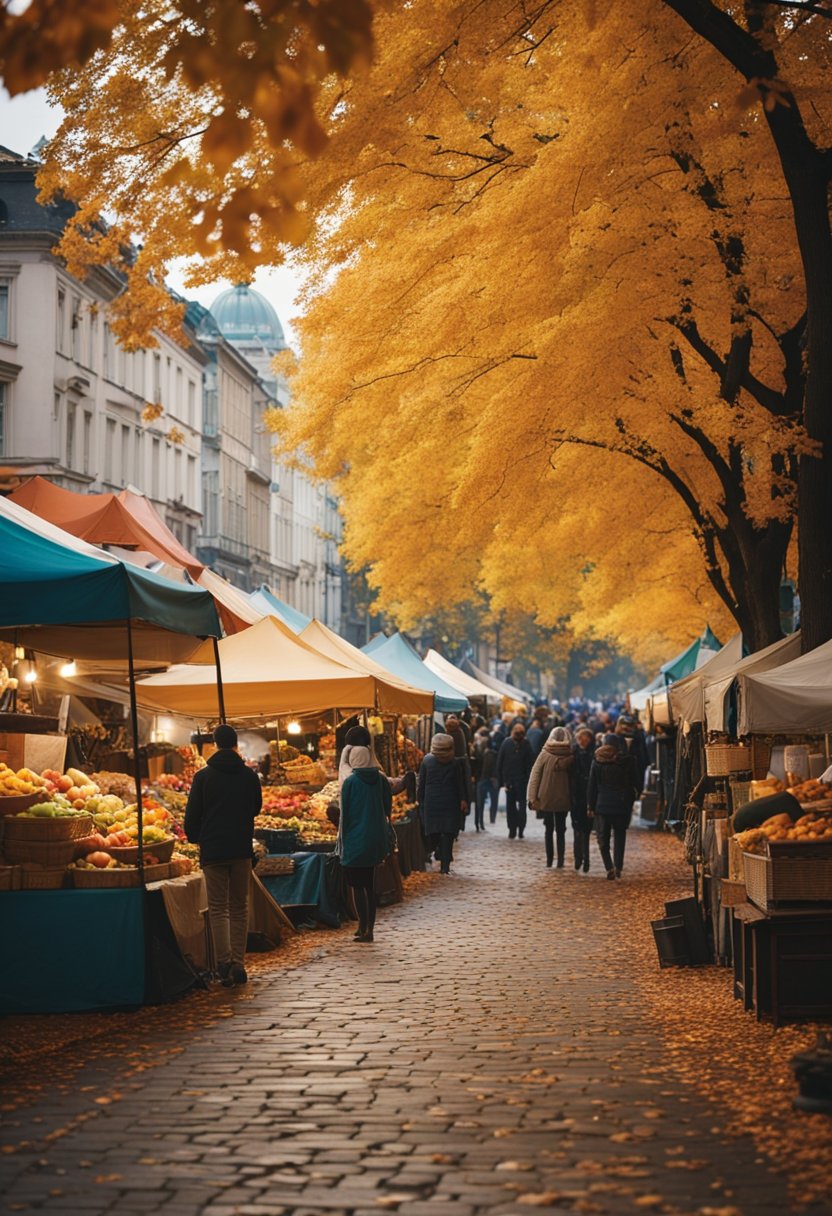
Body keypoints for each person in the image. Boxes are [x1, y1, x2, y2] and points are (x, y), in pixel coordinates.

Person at [184, 723, 262, 986]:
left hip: (214, 849)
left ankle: (224, 964)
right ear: (235, 744)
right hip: (240, 848)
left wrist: (196, 837)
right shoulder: (249, 776)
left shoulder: (203, 777)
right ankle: (239, 962)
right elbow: (256, 808)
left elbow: (192, 817)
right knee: (239, 907)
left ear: (215, 744)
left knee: (218, 909)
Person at [339, 744, 393, 942]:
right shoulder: (380, 779)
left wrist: (343, 840)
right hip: (375, 838)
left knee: (356, 885)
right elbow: (388, 806)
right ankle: (370, 928)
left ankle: (362, 926)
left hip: (355, 838)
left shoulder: (350, 782)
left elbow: (345, 813)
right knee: (369, 885)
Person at [587, 732, 640, 880]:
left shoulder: (597, 761)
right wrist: (631, 798)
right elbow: (636, 783)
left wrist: (590, 805)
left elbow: (592, 787)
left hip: (602, 805)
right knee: (620, 835)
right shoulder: (628, 761)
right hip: (622, 804)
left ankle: (608, 866)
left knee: (603, 837)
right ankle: (618, 866)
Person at [418, 733, 467, 874]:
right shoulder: (455, 763)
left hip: (431, 802)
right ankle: (445, 866)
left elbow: (421, 784)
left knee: (434, 832)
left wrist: (419, 799)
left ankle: (438, 853)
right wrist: (463, 799)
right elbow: (460, 784)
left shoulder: (427, 761)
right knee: (448, 833)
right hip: (450, 802)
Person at [527, 726, 575, 867]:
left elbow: (535, 775)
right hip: (563, 796)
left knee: (548, 829)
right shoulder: (570, 754)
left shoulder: (545, 753)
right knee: (560, 829)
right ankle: (560, 860)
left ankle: (549, 859)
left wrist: (532, 797)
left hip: (546, 796)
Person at [496, 722, 534, 840]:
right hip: (512, 781)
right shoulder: (509, 743)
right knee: (512, 807)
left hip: (519, 781)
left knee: (518, 807)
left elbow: (530, 764)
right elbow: (500, 762)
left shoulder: (524, 744)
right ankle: (513, 830)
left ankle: (518, 829)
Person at [571, 725, 596, 872]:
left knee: (586, 831)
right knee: (577, 830)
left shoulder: (594, 753)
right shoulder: (574, 753)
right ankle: (578, 858)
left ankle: (586, 859)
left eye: (584, 738)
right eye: (579, 738)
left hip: (588, 797)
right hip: (576, 796)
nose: (581, 741)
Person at [472, 726, 498, 830]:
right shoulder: (490, 752)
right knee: (483, 802)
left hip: (482, 780)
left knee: (480, 803)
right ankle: (482, 822)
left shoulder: (479, 751)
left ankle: (479, 822)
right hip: (486, 779)